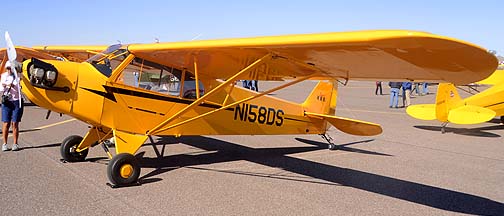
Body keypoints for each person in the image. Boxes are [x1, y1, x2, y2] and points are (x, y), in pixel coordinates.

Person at [1, 62, 23, 151]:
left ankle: (15, 143)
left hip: (17, 101)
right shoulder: (3, 76)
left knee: (15, 123)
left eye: (10, 68)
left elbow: (21, 88)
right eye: (7, 68)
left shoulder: (19, 77)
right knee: (6, 123)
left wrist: (13, 85)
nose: (9, 70)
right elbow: (1, 88)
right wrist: (6, 85)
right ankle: (5, 143)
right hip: (7, 102)